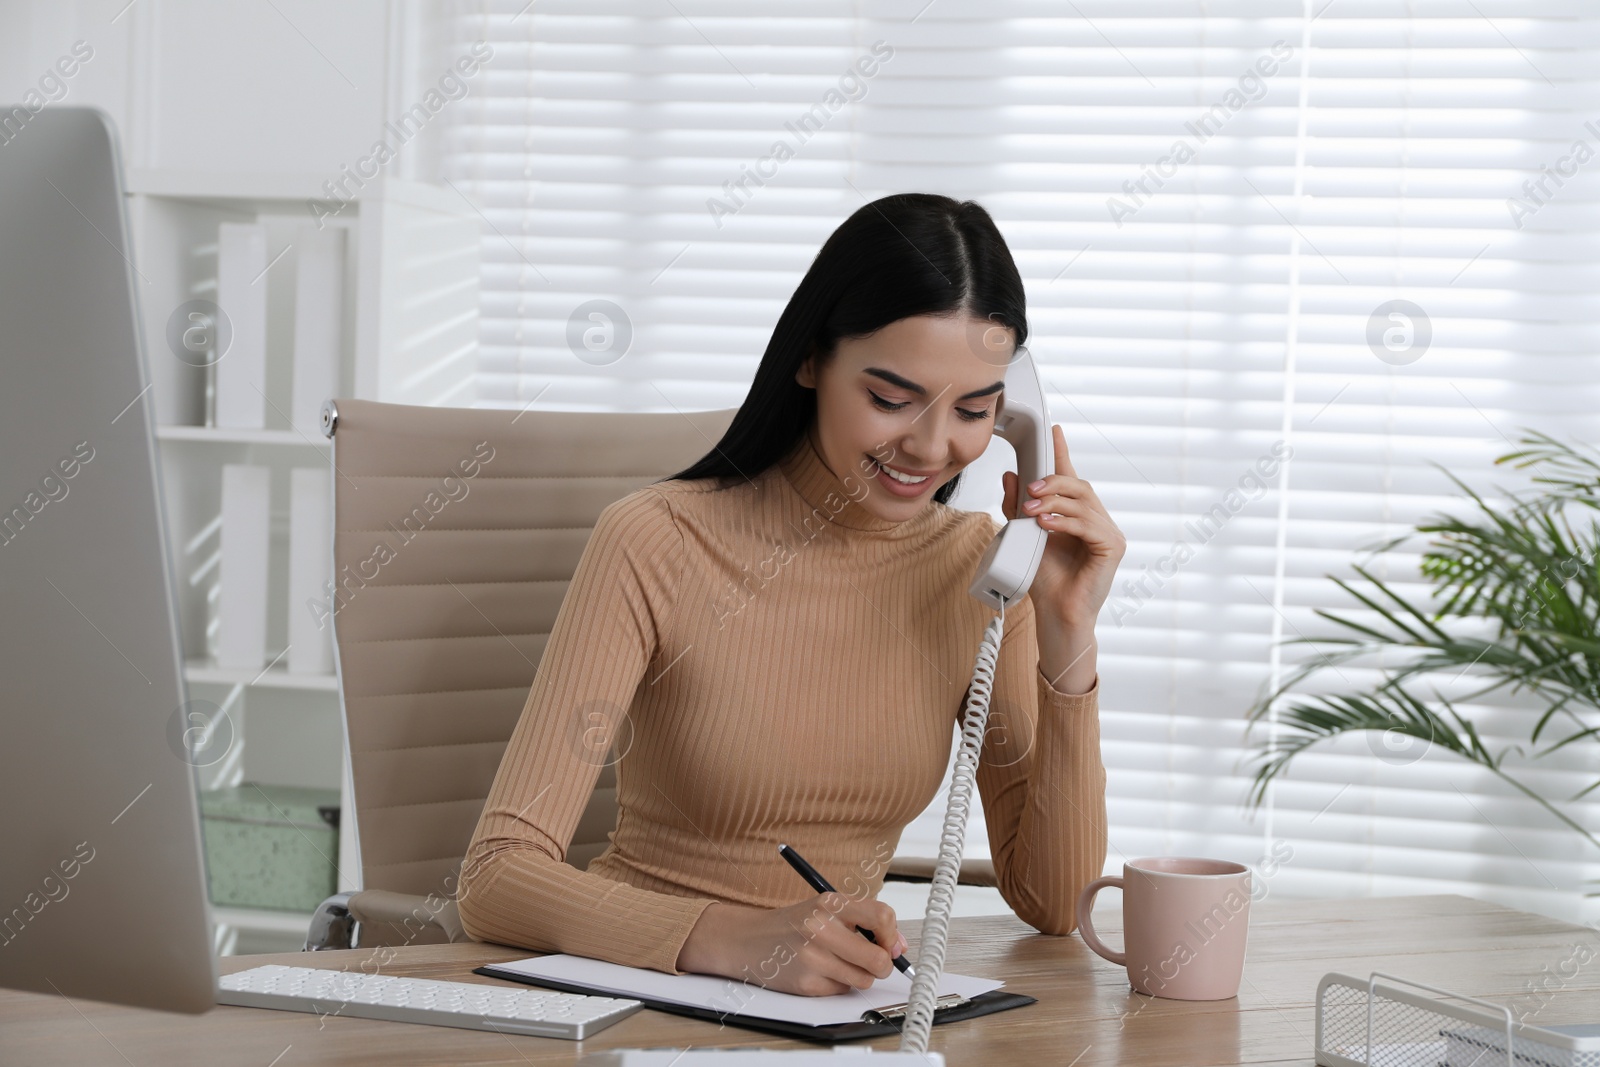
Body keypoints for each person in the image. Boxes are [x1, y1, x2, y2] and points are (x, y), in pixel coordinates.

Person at [456, 192, 1123, 998]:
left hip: (830, 1023)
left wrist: (1065, 627)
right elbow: (495, 877)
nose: (932, 446)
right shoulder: (656, 539)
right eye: (889, 398)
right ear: (811, 359)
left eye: (975, 410)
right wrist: (733, 940)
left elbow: (1054, 903)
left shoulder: (980, 572)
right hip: (636, 1000)